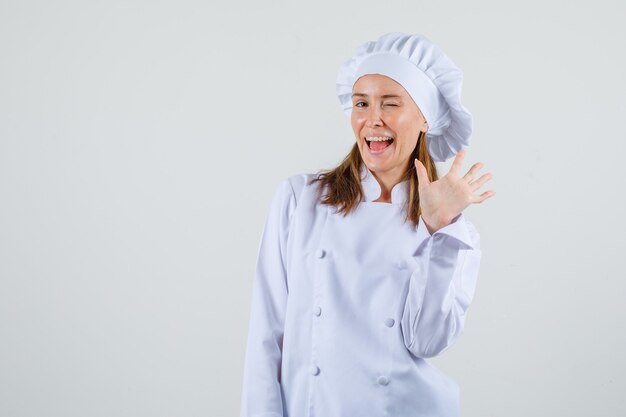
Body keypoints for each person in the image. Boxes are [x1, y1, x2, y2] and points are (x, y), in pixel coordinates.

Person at [239, 32, 495, 417]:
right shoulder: (300, 200)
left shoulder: (452, 231)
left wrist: (437, 229)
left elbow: (428, 341)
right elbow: (265, 336)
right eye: (361, 103)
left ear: (424, 119)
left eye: (390, 104)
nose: (372, 120)